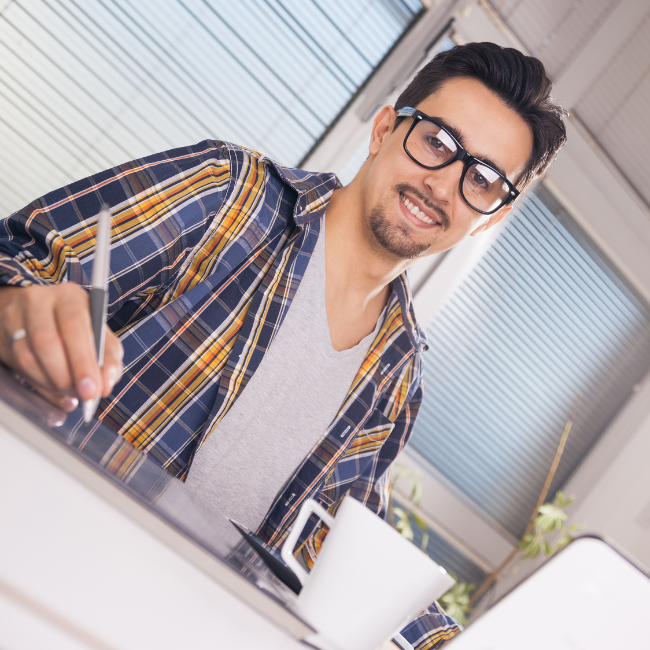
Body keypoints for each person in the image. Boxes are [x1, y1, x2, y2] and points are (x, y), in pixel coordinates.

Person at [0, 42, 566, 649]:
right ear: (382, 129)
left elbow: (333, 549)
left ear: (490, 218)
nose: (444, 185)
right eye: (436, 142)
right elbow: (17, 265)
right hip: (36, 556)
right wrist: (17, 311)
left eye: (482, 180)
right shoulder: (229, 194)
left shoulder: (398, 376)